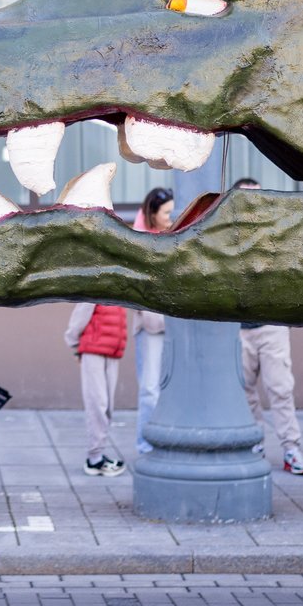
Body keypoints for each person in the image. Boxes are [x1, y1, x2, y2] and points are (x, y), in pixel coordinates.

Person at [233, 178, 303, 475]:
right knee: (244, 390)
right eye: (245, 198)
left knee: (280, 388)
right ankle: (255, 442)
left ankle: (291, 448)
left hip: (271, 324)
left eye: (257, 197)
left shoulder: (274, 233)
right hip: (238, 328)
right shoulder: (229, 235)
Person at [131, 187, 172, 455]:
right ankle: (146, 443)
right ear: (153, 213)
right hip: (151, 327)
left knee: (168, 388)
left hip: (174, 326)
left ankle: (164, 439)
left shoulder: (172, 236)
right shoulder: (140, 241)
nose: (171, 217)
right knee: (149, 389)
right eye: (167, 213)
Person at [65, 301, 127, 476]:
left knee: (107, 407)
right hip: (93, 352)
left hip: (112, 353)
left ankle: (98, 454)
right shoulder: (94, 291)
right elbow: (78, 320)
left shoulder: (118, 292)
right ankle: (94, 458)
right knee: (97, 404)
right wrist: (76, 347)